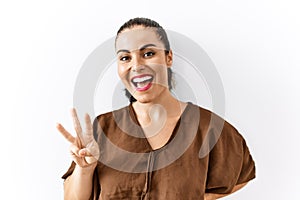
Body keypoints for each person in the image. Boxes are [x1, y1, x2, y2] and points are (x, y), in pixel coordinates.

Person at [57, 17, 255, 200]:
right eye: (125, 58)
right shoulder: (103, 128)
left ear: (168, 58)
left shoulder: (208, 128)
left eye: (148, 53)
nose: (137, 66)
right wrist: (85, 169)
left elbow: (242, 175)